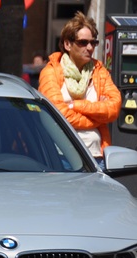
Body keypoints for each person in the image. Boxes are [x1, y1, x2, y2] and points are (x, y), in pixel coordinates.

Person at [39, 11, 121, 165]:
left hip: (97, 158)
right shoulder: (51, 72)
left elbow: (114, 107)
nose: (89, 47)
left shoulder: (99, 70)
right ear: (67, 44)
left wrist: (75, 105)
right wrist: (97, 116)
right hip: (61, 157)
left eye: (93, 42)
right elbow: (59, 116)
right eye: (83, 42)